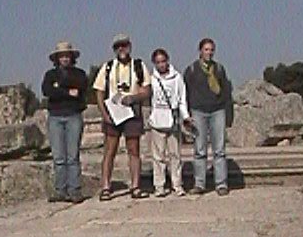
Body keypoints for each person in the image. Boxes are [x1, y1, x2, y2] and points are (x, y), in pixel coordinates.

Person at [93, 34, 151, 201]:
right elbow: (99, 92)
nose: (121, 49)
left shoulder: (139, 66)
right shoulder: (108, 67)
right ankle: (105, 187)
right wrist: (104, 114)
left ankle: (135, 186)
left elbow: (147, 90)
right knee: (109, 151)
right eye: (118, 46)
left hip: (132, 112)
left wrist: (134, 98)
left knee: (134, 150)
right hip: (113, 112)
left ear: (129, 46)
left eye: (124, 45)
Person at [42, 41, 88, 203]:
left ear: (72, 57)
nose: (65, 59)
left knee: (72, 156)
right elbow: (47, 91)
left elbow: (80, 88)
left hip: (73, 115)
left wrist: (59, 89)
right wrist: (68, 91)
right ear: (57, 58)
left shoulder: (79, 74)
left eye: (67, 56)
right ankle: (60, 190)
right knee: (59, 157)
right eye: (61, 56)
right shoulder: (50, 75)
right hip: (55, 116)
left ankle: (74, 190)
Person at [184, 37, 231, 196]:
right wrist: (186, 115)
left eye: (211, 50)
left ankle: (221, 184)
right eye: (206, 49)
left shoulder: (219, 69)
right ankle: (199, 184)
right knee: (199, 149)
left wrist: (228, 113)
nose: (209, 53)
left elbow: (226, 91)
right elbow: (186, 93)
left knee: (219, 150)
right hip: (198, 111)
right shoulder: (191, 70)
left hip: (217, 110)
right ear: (200, 51)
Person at [149, 48, 192, 197]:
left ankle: (177, 184)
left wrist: (185, 116)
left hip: (172, 120)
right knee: (158, 156)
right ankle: (159, 185)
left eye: (163, 61)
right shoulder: (152, 79)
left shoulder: (177, 78)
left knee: (175, 155)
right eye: (158, 62)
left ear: (167, 61)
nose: (161, 65)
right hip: (157, 120)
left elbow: (182, 99)